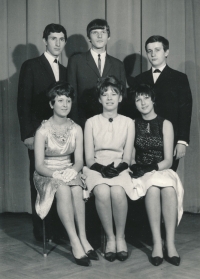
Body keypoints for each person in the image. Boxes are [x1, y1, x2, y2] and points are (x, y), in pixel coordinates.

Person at [33, 81, 98, 266]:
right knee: (62, 189)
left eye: (68, 100)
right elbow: (38, 165)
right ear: (51, 104)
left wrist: (72, 171)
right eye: (60, 100)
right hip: (47, 173)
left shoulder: (76, 128)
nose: (65, 104)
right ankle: (74, 242)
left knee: (77, 189)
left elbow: (78, 161)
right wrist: (56, 175)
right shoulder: (42, 130)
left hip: (69, 169)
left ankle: (83, 238)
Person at [17, 23, 68, 242]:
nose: (58, 43)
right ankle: (42, 231)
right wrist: (28, 134)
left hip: (62, 136)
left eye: (61, 39)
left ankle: (58, 230)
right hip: (38, 135)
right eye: (53, 38)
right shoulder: (31, 65)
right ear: (45, 40)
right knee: (39, 181)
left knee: (59, 181)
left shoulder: (66, 70)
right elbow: (23, 101)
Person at [129, 84, 184, 267]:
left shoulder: (165, 124)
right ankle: (157, 244)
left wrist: (152, 167)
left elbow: (168, 160)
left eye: (146, 97)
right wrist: (137, 167)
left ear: (153, 99)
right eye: (138, 99)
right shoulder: (133, 124)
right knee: (152, 189)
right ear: (135, 103)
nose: (142, 102)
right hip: (141, 172)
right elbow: (130, 156)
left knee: (168, 189)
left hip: (161, 168)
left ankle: (170, 243)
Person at [83, 76, 134, 262]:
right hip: (96, 167)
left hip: (120, 167)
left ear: (121, 98)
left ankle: (121, 237)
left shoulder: (129, 122)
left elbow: (127, 156)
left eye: (114, 93)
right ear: (99, 99)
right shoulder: (91, 122)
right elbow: (88, 158)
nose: (110, 98)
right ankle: (110, 238)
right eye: (105, 94)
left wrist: (119, 168)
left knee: (118, 192)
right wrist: (101, 168)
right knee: (103, 192)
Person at [132, 35, 192, 171]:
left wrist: (182, 141)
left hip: (169, 141)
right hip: (142, 142)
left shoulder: (180, 78)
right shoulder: (139, 79)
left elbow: (185, 111)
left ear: (166, 52)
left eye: (157, 50)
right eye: (149, 51)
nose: (153, 54)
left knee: (165, 183)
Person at [67, 18, 126, 129]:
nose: (99, 36)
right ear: (89, 37)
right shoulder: (76, 61)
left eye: (103, 32)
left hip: (112, 125)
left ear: (108, 36)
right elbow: (71, 95)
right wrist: (75, 125)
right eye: (95, 32)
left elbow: (123, 96)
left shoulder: (118, 64)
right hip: (83, 123)